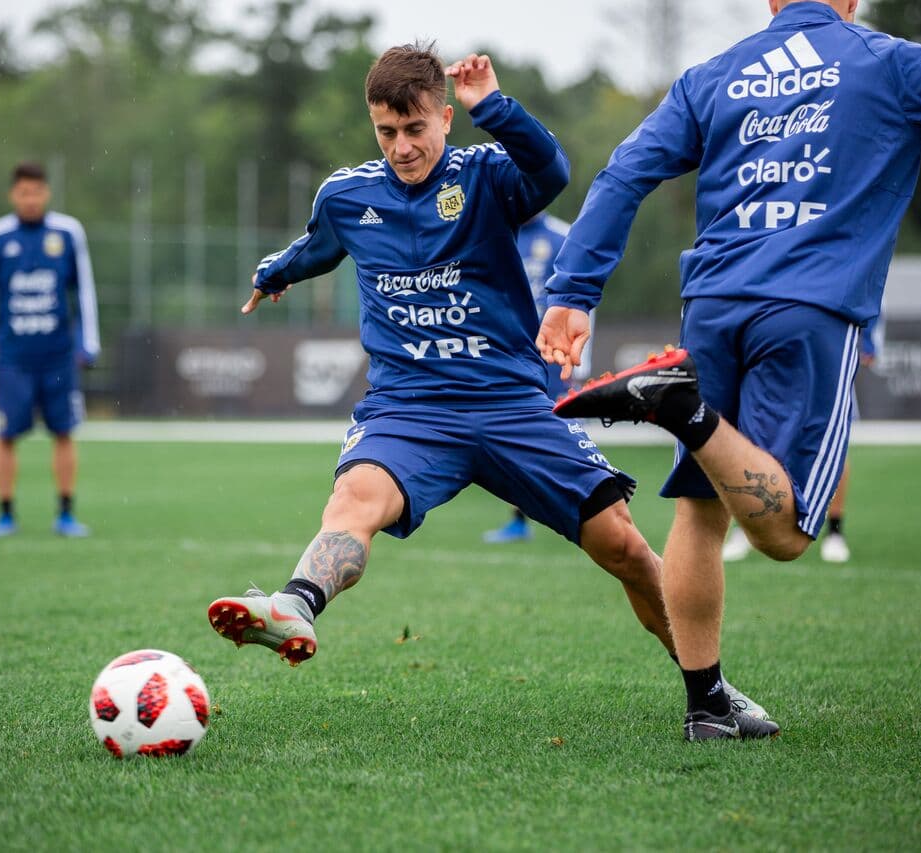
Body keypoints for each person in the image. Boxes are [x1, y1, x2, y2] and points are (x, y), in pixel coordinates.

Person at [537, 0, 921, 740]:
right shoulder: (889, 63)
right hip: (807, 307)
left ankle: (706, 704)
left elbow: (626, 171)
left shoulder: (714, 76)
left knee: (699, 513)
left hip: (710, 305)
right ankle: (685, 408)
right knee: (786, 532)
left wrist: (573, 292)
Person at [205, 43, 768, 736]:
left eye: (416, 129)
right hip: (409, 410)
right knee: (353, 499)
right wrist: (275, 272)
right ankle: (296, 602)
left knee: (620, 543)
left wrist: (494, 107)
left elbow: (550, 171)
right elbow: (318, 244)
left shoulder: (485, 177)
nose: (402, 147)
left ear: (445, 118)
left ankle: (709, 696)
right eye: (387, 132)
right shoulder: (348, 196)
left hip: (511, 403)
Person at [0, 162, 100, 538]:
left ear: (47, 193)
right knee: (5, 435)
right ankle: (6, 513)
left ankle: (65, 512)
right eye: (23, 192)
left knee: (64, 431)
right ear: (13, 195)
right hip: (12, 358)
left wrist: (88, 342)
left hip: (58, 354)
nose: (31, 199)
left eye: (37, 192)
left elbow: (85, 289)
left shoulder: (68, 232)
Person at [722, 315, 881, 562]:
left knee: (832, 444)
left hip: (826, 348)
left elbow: (864, 283)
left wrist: (867, 339)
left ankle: (835, 532)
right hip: (774, 347)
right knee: (754, 438)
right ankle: (746, 527)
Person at [482, 210, 593, 544]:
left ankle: (590, 504)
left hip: (552, 357)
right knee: (510, 435)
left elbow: (582, 299)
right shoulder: (495, 232)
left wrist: (579, 358)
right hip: (508, 355)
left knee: (560, 433)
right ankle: (519, 519)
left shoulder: (563, 237)